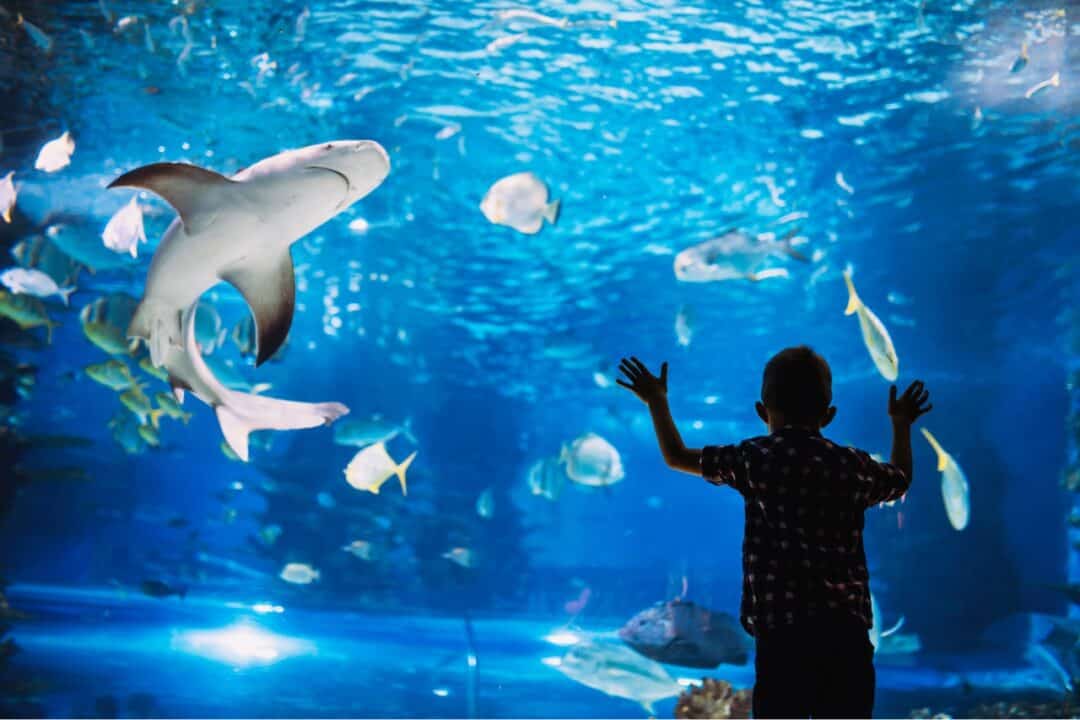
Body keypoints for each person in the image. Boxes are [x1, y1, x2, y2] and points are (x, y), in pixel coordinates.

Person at [616, 346, 932, 718]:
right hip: (845, 635)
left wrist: (656, 400)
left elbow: (676, 456)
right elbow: (900, 480)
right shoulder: (852, 466)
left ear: (762, 412)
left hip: (783, 634)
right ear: (829, 415)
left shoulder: (756, 459)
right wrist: (901, 424)